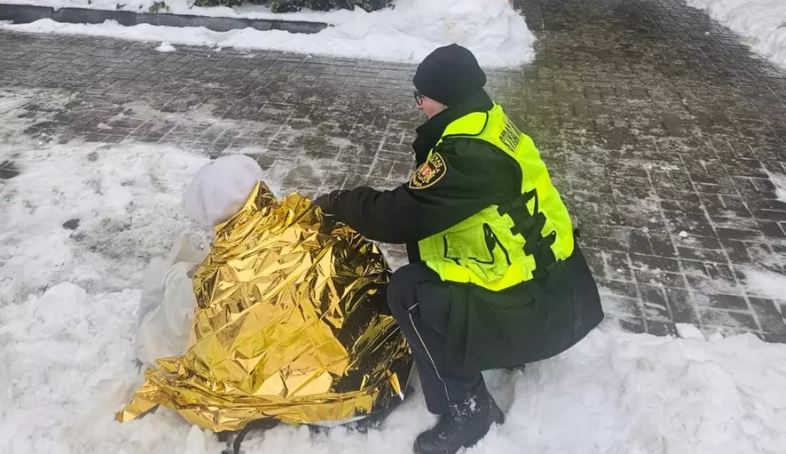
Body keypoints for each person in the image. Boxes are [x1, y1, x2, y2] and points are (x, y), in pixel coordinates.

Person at [314, 44, 604, 454]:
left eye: (422, 97)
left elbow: (399, 216)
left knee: (409, 292)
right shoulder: (486, 122)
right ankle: (499, 350)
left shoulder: (468, 155)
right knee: (433, 276)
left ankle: (469, 410)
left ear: (447, 96)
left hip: (544, 311)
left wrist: (339, 203)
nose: (418, 106)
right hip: (557, 292)